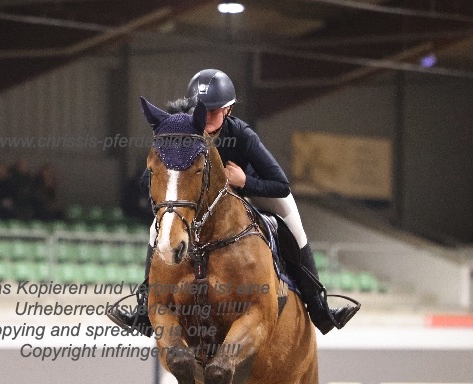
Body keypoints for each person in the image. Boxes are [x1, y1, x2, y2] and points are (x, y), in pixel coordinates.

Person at [107, 68, 360, 336]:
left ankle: (318, 307)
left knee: (293, 222)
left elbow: (281, 184)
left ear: (228, 109)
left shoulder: (242, 135)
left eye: (213, 112)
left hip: (248, 191)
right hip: (202, 203)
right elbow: (156, 173)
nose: (204, 118)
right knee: (156, 230)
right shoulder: (183, 131)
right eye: (199, 110)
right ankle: (144, 309)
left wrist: (244, 182)